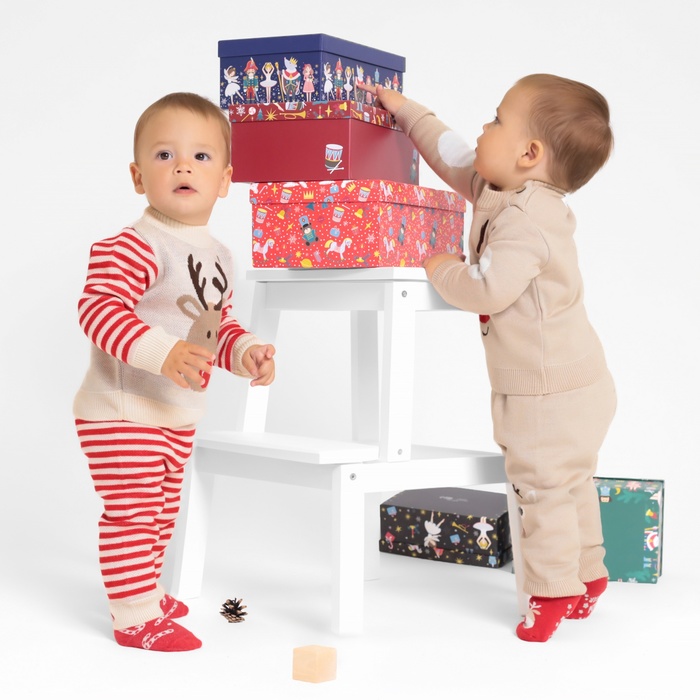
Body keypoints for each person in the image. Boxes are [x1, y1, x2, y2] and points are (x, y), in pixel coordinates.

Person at [371, 75, 616, 642]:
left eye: (497, 118)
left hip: (546, 392)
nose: (484, 127)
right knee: (572, 484)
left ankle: (549, 593)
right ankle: (589, 573)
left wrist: (440, 267)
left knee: (539, 491)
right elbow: (453, 153)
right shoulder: (501, 189)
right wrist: (407, 111)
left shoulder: (526, 221)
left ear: (529, 153)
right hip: (578, 381)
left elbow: (487, 288)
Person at [73, 92, 276, 652]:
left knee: (163, 512)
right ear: (138, 177)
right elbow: (98, 308)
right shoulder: (134, 245)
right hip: (123, 408)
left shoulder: (221, 257)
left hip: (177, 409)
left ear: (225, 180)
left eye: (200, 157)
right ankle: (134, 616)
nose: (183, 166)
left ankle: (146, 590)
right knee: (134, 512)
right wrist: (160, 353)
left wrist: (246, 351)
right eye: (165, 155)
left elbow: (217, 325)